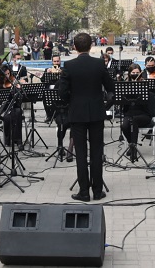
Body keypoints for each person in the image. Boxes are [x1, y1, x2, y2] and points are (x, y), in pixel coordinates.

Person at [57, 32, 115, 202]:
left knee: (81, 153)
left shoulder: (69, 65)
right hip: (96, 112)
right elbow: (110, 86)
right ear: (91, 46)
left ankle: (84, 192)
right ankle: (97, 191)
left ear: (74, 47)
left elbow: (62, 92)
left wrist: (72, 102)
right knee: (97, 152)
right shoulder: (99, 64)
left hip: (77, 113)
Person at [120, 63, 155, 162]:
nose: (135, 74)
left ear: (140, 73)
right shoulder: (125, 85)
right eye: (133, 73)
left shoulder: (144, 85)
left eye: (137, 73)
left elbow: (150, 102)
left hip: (144, 114)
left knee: (134, 121)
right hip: (130, 113)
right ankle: (131, 144)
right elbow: (123, 105)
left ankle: (134, 151)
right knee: (124, 126)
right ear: (130, 73)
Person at [0, 64, 24, 149]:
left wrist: (18, 90)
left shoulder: (13, 81)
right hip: (2, 108)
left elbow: (19, 99)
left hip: (12, 106)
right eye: (5, 74)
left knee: (18, 112)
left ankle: (18, 140)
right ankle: (8, 139)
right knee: (7, 117)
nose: (7, 76)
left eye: (8, 74)